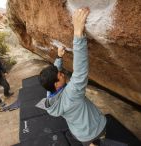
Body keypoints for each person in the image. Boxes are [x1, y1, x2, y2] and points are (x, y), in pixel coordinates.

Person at [39, 8, 106, 146]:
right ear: (57, 84)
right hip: (96, 129)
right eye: (60, 75)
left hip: (81, 135)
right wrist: (78, 34)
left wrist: (59, 57)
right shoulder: (72, 94)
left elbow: (55, 74)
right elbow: (80, 71)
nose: (63, 74)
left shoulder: (50, 95)